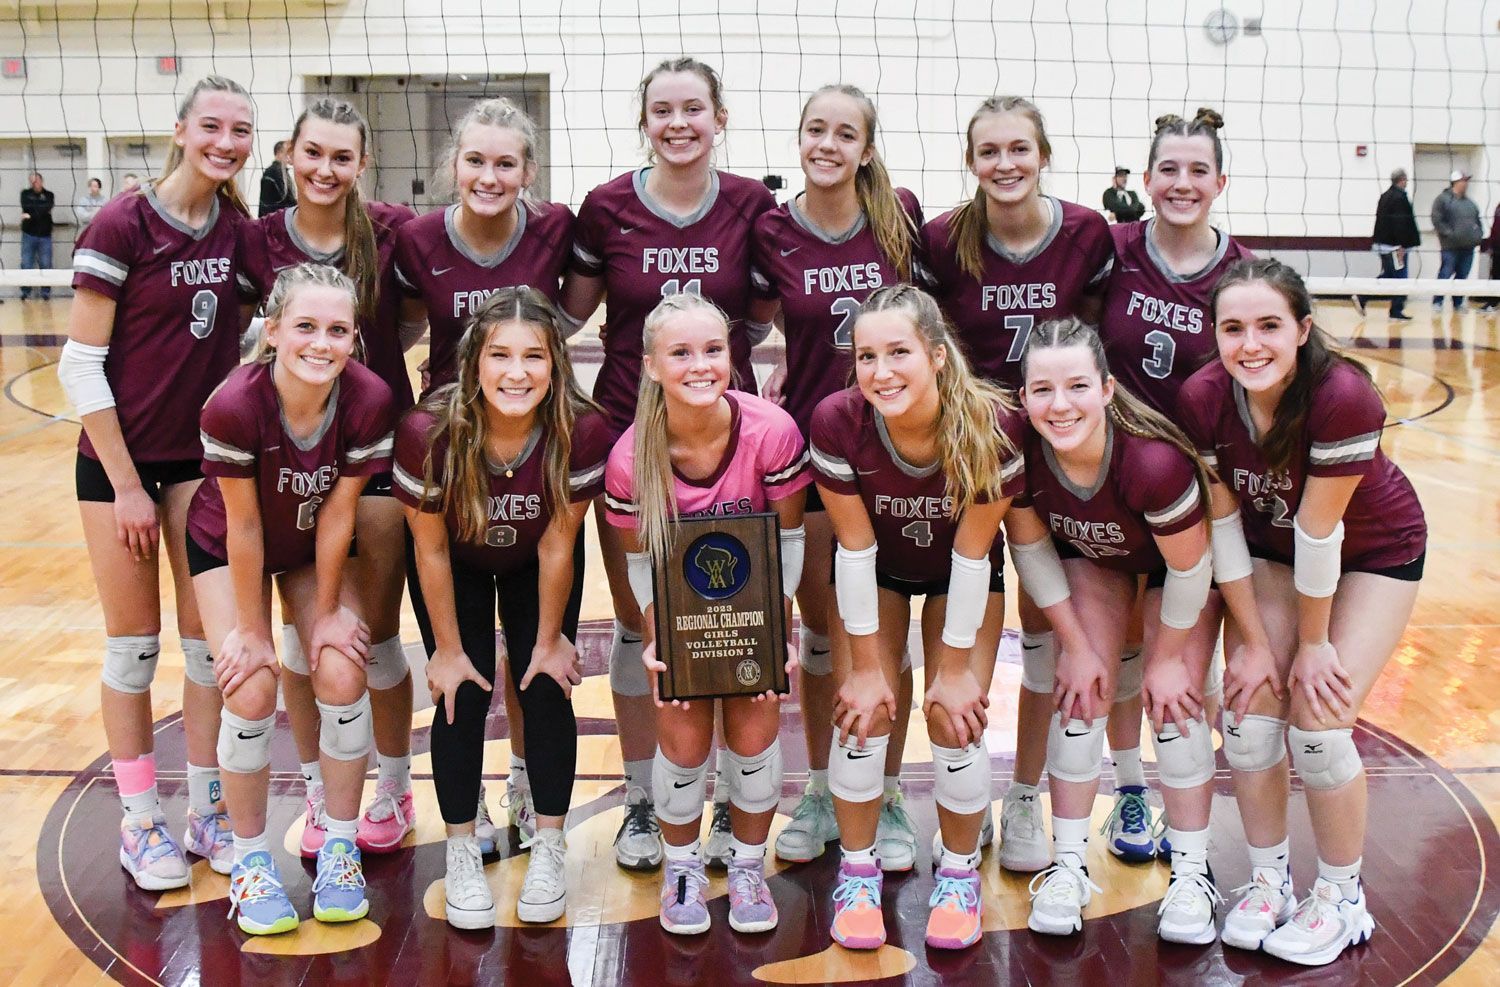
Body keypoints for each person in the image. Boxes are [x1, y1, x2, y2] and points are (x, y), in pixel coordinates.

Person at [811, 284, 1092, 950]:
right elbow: (854, 546)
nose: (881, 371)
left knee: (953, 715)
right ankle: (857, 869)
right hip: (873, 566)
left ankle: (960, 871)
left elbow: (973, 553)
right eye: (867, 355)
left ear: (936, 356)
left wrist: (960, 670)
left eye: (899, 352)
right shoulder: (836, 420)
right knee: (863, 709)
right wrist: (869, 669)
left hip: (960, 573)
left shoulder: (990, 426)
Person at [564, 57, 779, 873]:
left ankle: (730, 802)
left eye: (695, 109)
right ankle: (648, 801)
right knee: (644, 626)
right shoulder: (607, 207)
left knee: (736, 618)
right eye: (663, 110)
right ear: (644, 120)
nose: (679, 123)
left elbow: (757, 320)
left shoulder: (750, 205)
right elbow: (568, 313)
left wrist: (703, 382)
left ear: (719, 117)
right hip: (632, 432)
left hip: (733, 438)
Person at [1181, 258, 1426, 965]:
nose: (1250, 344)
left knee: (1318, 722)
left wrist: (1313, 646)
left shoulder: (1342, 395)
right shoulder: (1204, 398)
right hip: (1272, 551)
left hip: (1374, 550)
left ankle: (1344, 898)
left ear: (1303, 329)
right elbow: (1224, 526)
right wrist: (1253, 641)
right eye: (1233, 328)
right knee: (1252, 714)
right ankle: (1268, 882)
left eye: (1268, 326)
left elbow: (1323, 532)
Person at [58, 74, 254, 891]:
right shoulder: (125, 220)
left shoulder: (238, 230)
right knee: (133, 649)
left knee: (209, 651)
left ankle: (207, 808)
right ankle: (140, 823)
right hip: (121, 465)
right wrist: (126, 483)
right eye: (212, 125)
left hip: (198, 466)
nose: (225, 141)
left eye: (241, 130)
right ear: (181, 130)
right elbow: (78, 363)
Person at [1015, 318, 1265, 945]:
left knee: (1175, 707)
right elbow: (1032, 551)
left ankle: (1188, 875)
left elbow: (1191, 566)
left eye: (1076, 386)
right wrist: (1073, 645)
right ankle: (1067, 864)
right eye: (1042, 390)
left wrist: (1169, 659)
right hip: (1093, 560)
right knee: (1079, 699)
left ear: (1105, 389)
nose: (1060, 404)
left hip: (1173, 574)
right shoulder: (1016, 448)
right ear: (1023, 398)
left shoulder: (1152, 462)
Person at [921, 95, 1116, 874]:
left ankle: (1027, 796)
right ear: (971, 162)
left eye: (1019, 149)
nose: (1004, 164)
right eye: (988, 151)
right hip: (967, 456)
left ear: (1043, 155)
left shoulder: (1085, 234)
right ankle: (954, 797)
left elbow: (1100, 339)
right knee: (947, 634)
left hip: (1056, 454)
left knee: (1046, 635)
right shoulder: (942, 239)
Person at [237, 97, 419, 860]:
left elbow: (408, 319)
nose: (325, 169)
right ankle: (318, 789)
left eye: (342, 156)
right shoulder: (255, 242)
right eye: (313, 152)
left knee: (372, 642)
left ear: (362, 164)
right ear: (288, 152)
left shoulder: (390, 231)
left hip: (376, 455)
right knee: (307, 636)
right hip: (288, 464)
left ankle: (397, 787)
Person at [189, 263, 394, 935]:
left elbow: (338, 515)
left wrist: (329, 612)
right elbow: (244, 525)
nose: (321, 343)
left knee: (339, 668)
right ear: (272, 330)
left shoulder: (367, 397)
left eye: (338, 329)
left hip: (309, 542)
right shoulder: (233, 403)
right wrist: (252, 632)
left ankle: (338, 842)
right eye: (305, 326)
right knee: (248, 686)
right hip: (229, 544)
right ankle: (251, 861)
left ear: (355, 337)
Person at [749, 84, 924, 871]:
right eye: (814, 129)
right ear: (799, 138)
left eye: (843, 132)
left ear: (865, 146)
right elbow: (751, 323)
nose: (827, 143)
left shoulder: (902, 218)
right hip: (815, 452)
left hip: (896, 447)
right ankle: (821, 786)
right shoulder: (772, 231)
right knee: (822, 637)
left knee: (886, 642)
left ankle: (884, 792)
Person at [394, 96, 575, 844]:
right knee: (461, 671)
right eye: (476, 160)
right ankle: (458, 834)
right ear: (454, 165)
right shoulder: (417, 238)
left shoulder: (559, 229)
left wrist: (529, 374)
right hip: (452, 457)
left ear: (528, 171)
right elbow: (400, 322)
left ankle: (533, 795)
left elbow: (573, 316)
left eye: (506, 163)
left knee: (541, 663)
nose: (490, 175)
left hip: (532, 449)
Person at [398, 287, 608, 929]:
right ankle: (460, 848)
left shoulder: (581, 427)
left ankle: (547, 841)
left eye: (535, 357)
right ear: (473, 364)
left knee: (546, 687)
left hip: (533, 562)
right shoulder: (427, 431)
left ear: (556, 365)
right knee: (458, 693)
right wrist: (449, 651)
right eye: (500, 355)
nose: (517, 373)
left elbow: (557, 542)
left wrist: (548, 641)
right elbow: (430, 551)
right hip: (453, 562)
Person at [604, 291, 808, 935]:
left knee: (754, 742)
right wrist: (658, 641)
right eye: (681, 352)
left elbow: (788, 544)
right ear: (650, 365)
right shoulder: (631, 458)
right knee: (683, 744)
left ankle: (748, 865)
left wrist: (777, 632)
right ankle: (682, 868)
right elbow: (644, 566)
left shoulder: (772, 432)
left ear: (733, 357)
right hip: (683, 623)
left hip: (753, 616)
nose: (700, 365)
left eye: (714, 350)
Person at [1355, 168, 1419, 320]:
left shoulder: (1385, 196)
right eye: (1406, 179)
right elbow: (1400, 224)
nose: (1407, 182)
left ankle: (1363, 298)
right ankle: (1395, 310)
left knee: (1389, 276)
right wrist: (1402, 245)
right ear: (1402, 180)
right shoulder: (1399, 198)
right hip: (1396, 248)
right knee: (1399, 279)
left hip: (1384, 246)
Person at [1431, 169, 1483, 312]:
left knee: (1462, 276)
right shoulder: (1442, 199)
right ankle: (1437, 302)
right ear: (1456, 182)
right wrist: (1449, 233)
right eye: (1463, 180)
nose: (1466, 183)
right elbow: (1436, 219)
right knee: (1445, 273)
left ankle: (1458, 303)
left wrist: (1478, 235)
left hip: (1468, 247)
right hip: (1450, 247)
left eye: (1466, 180)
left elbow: (1477, 221)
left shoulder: (1470, 203)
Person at [20, 171, 56, 299]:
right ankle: (25, 292)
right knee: (26, 264)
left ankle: (45, 293)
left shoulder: (49, 195)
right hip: (28, 234)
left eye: (36, 181)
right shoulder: (25, 194)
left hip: (45, 235)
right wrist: (39, 211)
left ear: (41, 181)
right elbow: (26, 206)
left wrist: (30, 215)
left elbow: (46, 208)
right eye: (31, 181)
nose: (33, 183)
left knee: (46, 264)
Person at [257, 139, 297, 217]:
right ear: (279, 153)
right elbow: (287, 199)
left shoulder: (281, 172)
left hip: (278, 219)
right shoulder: (274, 172)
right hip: (275, 221)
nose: (290, 155)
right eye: (287, 152)